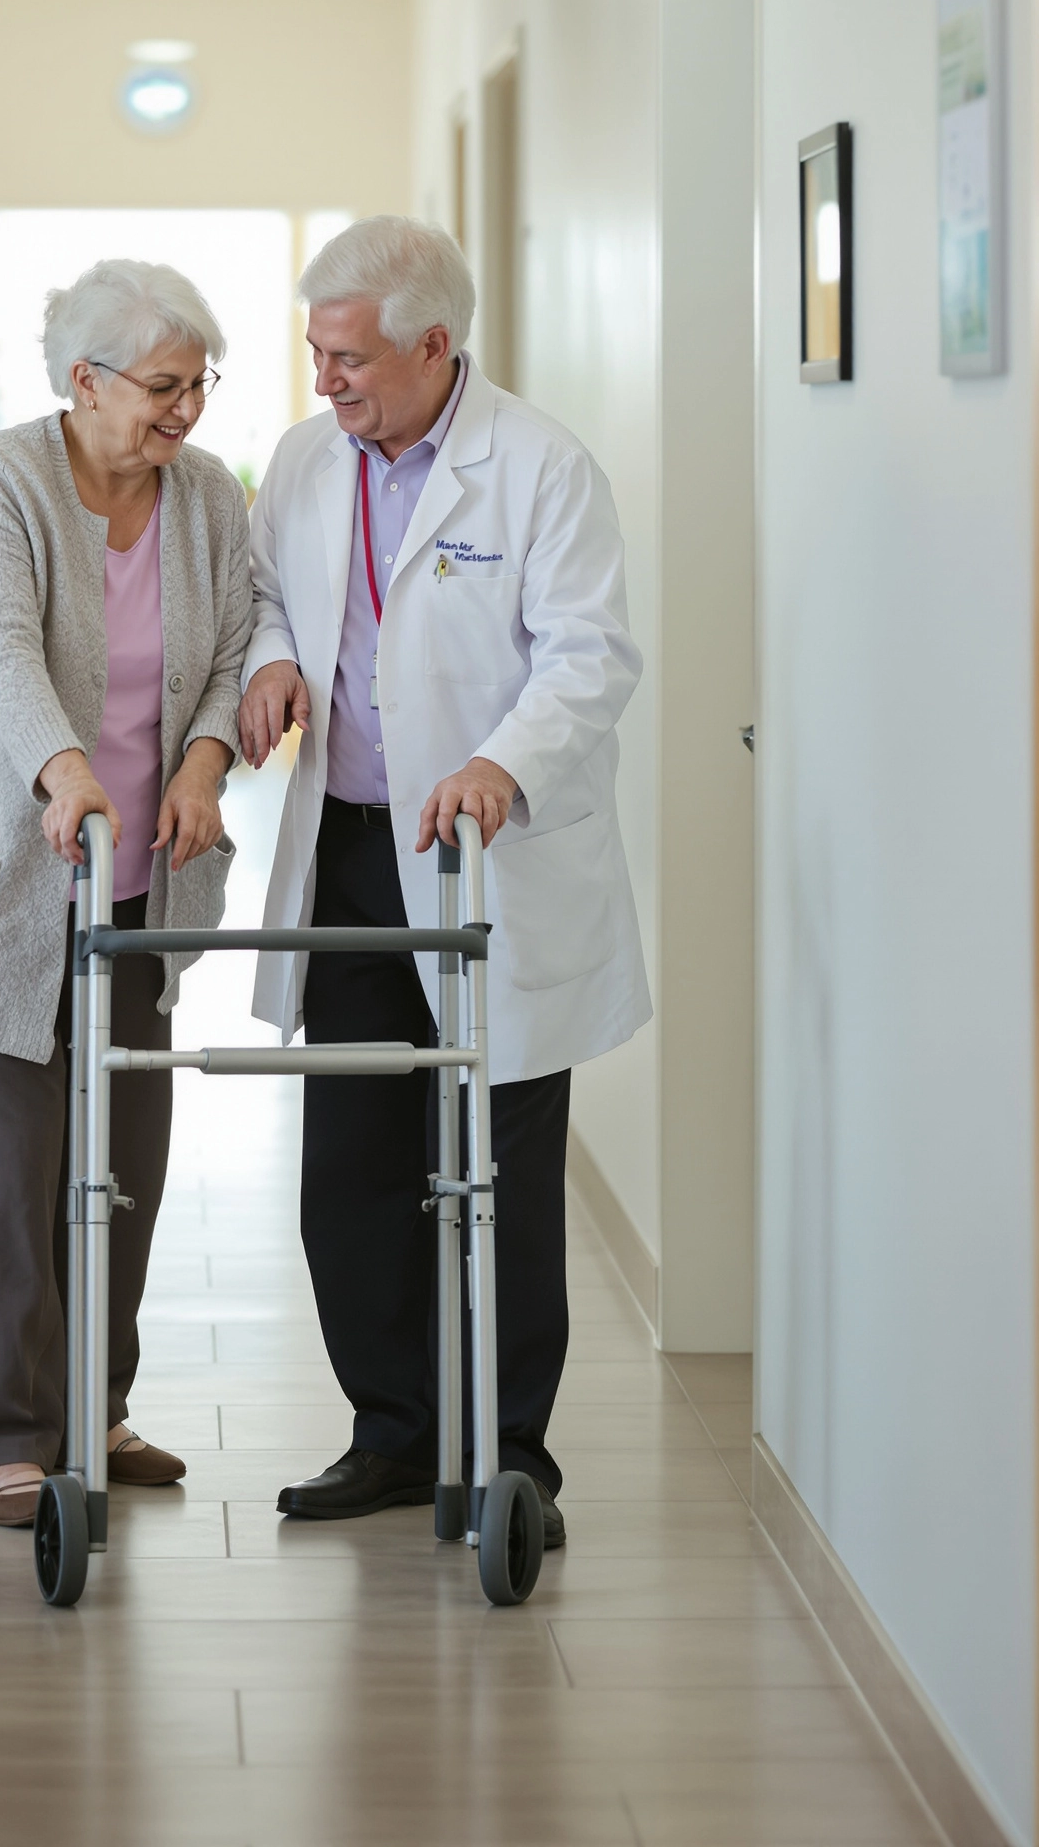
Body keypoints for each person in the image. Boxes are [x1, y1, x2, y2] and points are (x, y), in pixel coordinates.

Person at [238, 215, 650, 1543]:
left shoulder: (538, 469)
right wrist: (268, 662)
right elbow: (263, 594)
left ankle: (509, 1456)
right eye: (315, 353)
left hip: (489, 860)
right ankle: (397, 1436)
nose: (326, 381)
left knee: (499, 1157)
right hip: (355, 849)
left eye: (348, 356)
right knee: (352, 1157)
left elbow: (590, 655)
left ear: (432, 344)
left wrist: (500, 762)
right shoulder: (305, 463)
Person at [0, 259, 251, 1528]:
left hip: (143, 885)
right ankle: (2, 1437)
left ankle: (95, 1407)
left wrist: (205, 759)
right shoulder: (1, 479)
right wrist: (64, 771)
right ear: (82, 381)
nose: (185, 410)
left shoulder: (205, 496)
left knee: (123, 1159)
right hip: (3, 879)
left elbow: (237, 641)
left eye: (198, 383)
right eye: (161, 385)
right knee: (8, 1174)